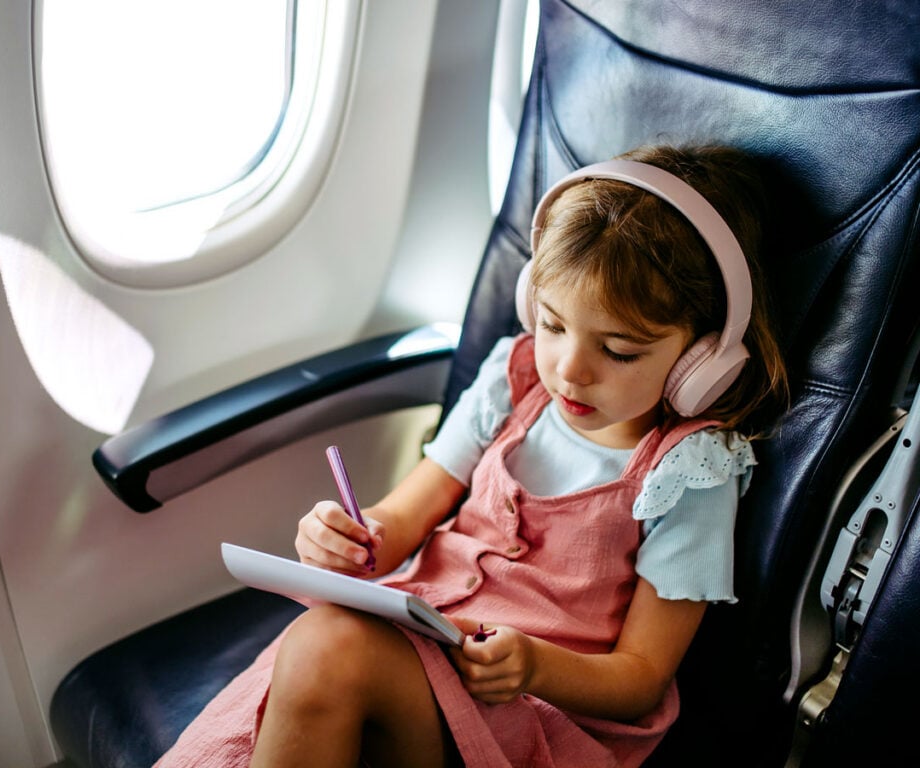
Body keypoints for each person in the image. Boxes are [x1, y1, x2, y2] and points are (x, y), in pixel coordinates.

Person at [154, 145, 789, 768]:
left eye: (619, 351)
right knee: (316, 656)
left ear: (700, 360)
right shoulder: (510, 383)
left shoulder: (691, 470)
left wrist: (535, 666)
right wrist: (351, 541)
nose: (570, 370)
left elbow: (642, 679)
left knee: (325, 648)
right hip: (411, 649)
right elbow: (404, 517)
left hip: (527, 706)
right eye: (552, 325)